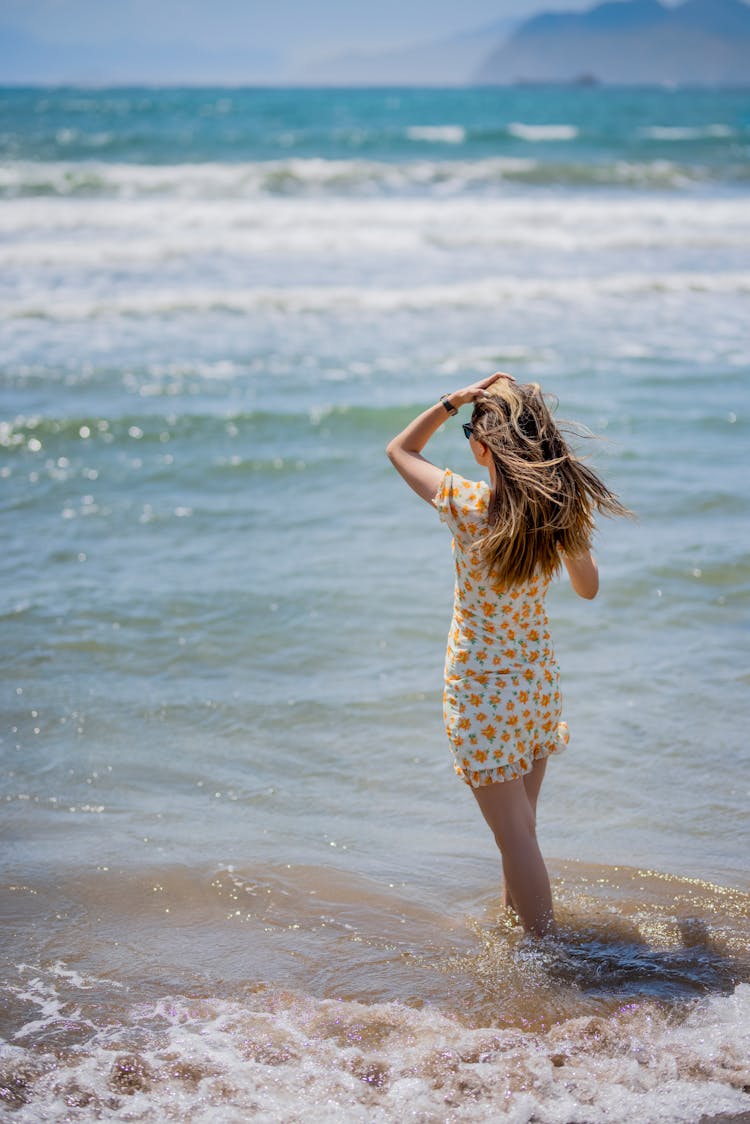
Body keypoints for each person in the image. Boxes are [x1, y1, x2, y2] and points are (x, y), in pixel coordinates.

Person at [386, 373, 629, 936]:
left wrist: (454, 399)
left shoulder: (468, 505)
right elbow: (588, 589)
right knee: (520, 832)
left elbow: (400, 449)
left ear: (483, 444)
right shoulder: (554, 513)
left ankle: (547, 956)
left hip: (481, 692)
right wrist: (574, 528)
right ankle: (517, 932)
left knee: (514, 835)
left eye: (472, 430)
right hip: (534, 687)